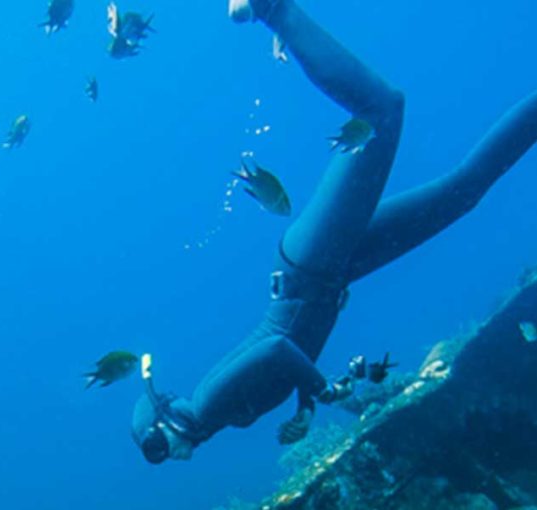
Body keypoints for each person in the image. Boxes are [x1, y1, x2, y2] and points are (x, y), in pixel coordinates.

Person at [131, 0, 537, 465]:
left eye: (159, 453)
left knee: (382, 111)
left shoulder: (208, 405)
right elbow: (284, 362)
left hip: (313, 265)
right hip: (328, 274)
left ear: (165, 433)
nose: (173, 458)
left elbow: (278, 348)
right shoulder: (218, 416)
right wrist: (306, 403)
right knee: (461, 194)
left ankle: (270, 9)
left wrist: (324, 394)